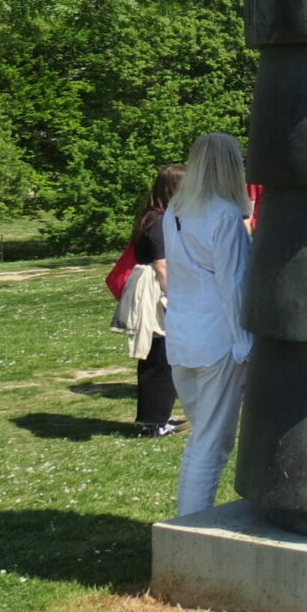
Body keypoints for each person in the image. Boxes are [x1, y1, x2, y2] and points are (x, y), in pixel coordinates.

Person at [161, 133, 255, 515]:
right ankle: (190, 528)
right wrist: (246, 345)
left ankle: (187, 522)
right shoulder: (225, 215)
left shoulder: (176, 210)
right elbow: (234, 286)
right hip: (217, 340)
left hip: (182, 336)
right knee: (211, 444)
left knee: (202, 439)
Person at [117, 165, 184, 437]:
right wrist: (176, 297)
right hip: (154, 290)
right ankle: (153, 423)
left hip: (154, 287)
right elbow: (162, 266)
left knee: (164, 354)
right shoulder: (158, 221)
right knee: (159, 355)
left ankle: (159, 415)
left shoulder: (156, 217)